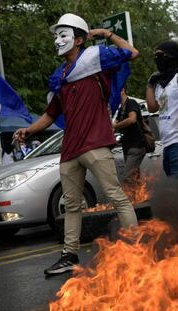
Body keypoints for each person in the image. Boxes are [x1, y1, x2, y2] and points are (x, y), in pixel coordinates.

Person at [13, 13, 139, 275]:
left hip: (95, 143)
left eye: (64, 34)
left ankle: (136, 249)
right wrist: (28, 129)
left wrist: (105, 34)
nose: (57, 40)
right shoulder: (59, 77)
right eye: (56, 36)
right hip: (70, 149)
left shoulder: (97, 59)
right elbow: (50, 114)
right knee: (72, 205)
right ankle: (69, 255)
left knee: (116, 197)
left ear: (79, 39)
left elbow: (132, 53)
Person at [145, 41, 178, 178]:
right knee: (176, 191)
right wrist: (150, 85)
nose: (157, 59)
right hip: (167, 144)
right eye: (155, 57)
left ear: (171, 56)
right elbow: (152, 108)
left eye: (160, 55)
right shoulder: (161, 84)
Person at [113, 88, 146, 192]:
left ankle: (137, 200)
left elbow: (132, 119)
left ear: (122, 90)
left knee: (128, 177)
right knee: (134, 177)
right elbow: (113, 126)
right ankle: (140, 203)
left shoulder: (131, 103)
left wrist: (116, 125)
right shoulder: (121, 109)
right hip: (127, 148)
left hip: (136, 146)